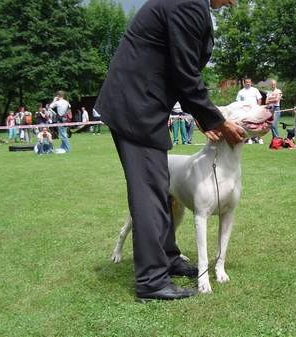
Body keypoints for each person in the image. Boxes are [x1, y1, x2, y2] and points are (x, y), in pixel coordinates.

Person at [94, 0, 244, 301]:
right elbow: (185, 72)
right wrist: (217, 120)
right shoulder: (188, 4)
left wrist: (204, 117)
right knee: (150, 194)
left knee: (160, 186)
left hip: (144, 105)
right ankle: (151, 282)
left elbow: (179, 71)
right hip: (135, 107)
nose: (234, 2)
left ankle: (168, 258)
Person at [236, 78, 263, 143]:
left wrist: (258, 107)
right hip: (245, 111)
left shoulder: (255, 90)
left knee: (258, 125)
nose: (248, 83)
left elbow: (259, 99)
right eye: (246, 82)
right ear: (244, 83)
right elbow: (238, 102)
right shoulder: (241, 92)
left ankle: (259, 139)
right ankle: (249, 139)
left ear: (251, 83)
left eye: (249, 82)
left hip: (255, 110)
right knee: (247, 126)